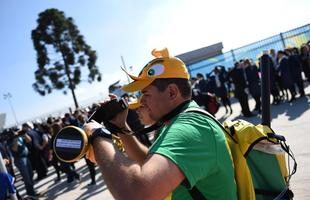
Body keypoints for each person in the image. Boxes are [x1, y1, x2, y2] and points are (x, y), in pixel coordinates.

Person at [83, 48, 237, 199]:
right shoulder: (179, 121)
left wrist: (98, 135)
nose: (140, 101)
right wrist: (121, 127)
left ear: (172, 92)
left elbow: (137, 193)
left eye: (145, 93)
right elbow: (149, 163)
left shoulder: (188, 128)